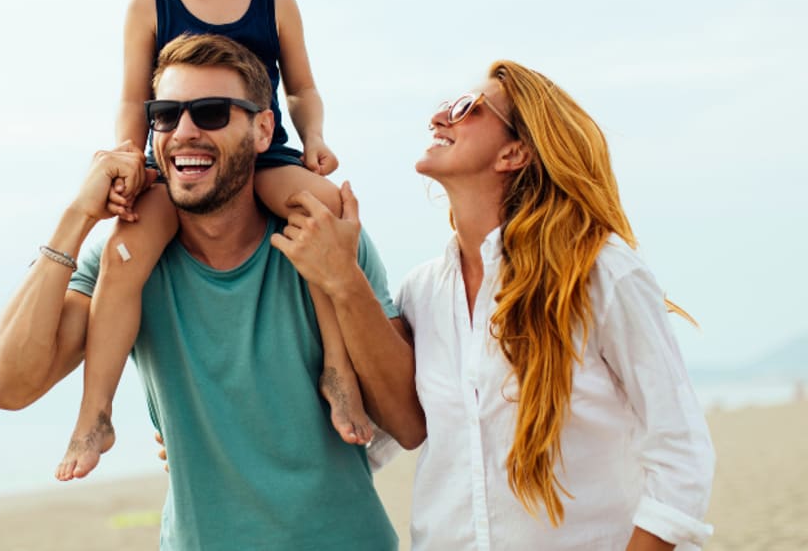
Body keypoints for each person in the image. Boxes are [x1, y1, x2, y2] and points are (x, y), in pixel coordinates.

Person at [0, 34, 423, 550]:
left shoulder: (324, 239)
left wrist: (343, 280)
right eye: (166, 115)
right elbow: (3, 386)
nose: (184, 132)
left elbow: (407, 423)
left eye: (211, 112)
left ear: (262, 129)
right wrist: (76, 217)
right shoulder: (126, 262)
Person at [282, 60, 716, 550]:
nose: (440, 117)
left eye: (467, 108)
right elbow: (377, 437)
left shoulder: (601, 276)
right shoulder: (423, 293)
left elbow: (682, 456)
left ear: (516, 151)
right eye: (445, 106)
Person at [58, 0, 366, 481]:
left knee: (322, 209)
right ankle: (96, 412)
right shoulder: (150, 4)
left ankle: (340, 370)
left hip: (264, 158)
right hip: (180, 166)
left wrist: (313, 139)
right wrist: (127, 156)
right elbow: (134, 97)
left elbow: (303, 88)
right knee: (125, 249)